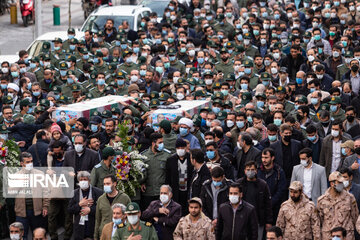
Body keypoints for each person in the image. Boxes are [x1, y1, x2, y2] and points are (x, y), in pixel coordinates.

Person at [14, 152, 48, 240]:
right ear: (22, 164)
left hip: (36, 211)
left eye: (31, 161)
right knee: (21, 236)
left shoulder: (39, 174)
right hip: (21, 212)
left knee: (38, 235)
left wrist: (45, 206)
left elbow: (46, 192)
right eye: (27, 162)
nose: (30, 164)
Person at [317, 171, 359, 239]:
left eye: (342, 182)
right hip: (328, 235)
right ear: (332, 184)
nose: (342, 184)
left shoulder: (350, 198)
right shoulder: (322, 200)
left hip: (346, 235)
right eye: (339, 182)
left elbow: (355, 217)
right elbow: (319, 221)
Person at [236, 161, 272, 239]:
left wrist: (269, 221)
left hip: (258, 220)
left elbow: (268, 204)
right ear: (244, 171)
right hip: (242, 220)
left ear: (256, 171)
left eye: (252, 169)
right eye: (248, 169)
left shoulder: (262, 185)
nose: (250, 172)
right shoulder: (239, 184)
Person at [68, 171, 104, 240]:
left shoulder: (98, 192)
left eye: (85, 179)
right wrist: (79, 204)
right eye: (81, 180)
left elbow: (102, 208)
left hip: (92, 226)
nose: (83, 181)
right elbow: (70, 209)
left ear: (89, 181)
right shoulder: (74, 193)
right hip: (79, 228)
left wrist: (90, 210)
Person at [94, 174, 131, 239]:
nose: (105, 186)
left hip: (121, 234)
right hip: (104, 234)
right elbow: (98, 219)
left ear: (114, 184)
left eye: (108, 184)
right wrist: (95, 237)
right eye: (104, 184)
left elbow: (130, 217)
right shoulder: (101, 199)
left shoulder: (125, 198)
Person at [142, 132, 172, 210]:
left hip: (162, 192)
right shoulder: (144, 156)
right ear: (153, 143)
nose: (162, 144)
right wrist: (141, 182)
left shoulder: (167, 155)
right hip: (148, 192)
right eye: (160, 142)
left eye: (162, 142)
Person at [257, 148, 287, 224]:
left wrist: (270, 202)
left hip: (275, 207)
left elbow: (281, 190)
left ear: (272, 158)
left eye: (266, 157)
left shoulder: (279, 171)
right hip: (259, 207)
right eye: (262, 157)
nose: (263, 160)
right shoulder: (258, 171)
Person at [165, 138, 194, 215]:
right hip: (176, 191)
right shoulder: (171, 160)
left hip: (188, 190)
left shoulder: (191, 158)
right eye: (178, 148)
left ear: (186, 148)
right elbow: (168, 177)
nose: (180, 150)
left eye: (182, 148)